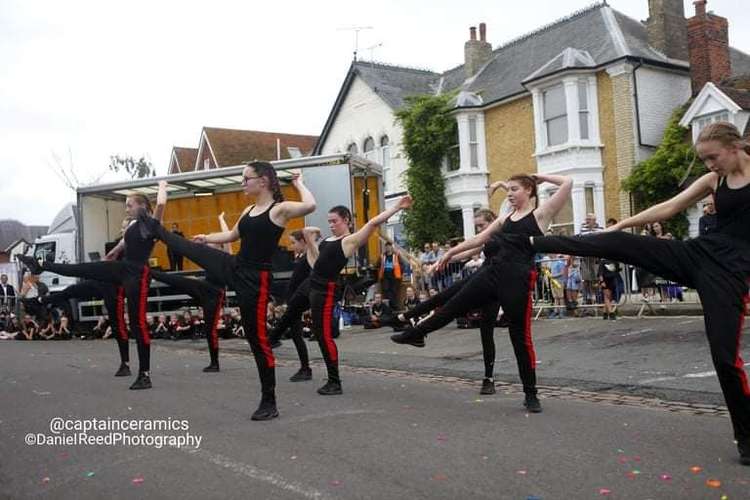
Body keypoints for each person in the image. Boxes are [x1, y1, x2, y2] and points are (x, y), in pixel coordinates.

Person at [490, 122, 750, 465]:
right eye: (703, 160)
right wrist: (622, 225)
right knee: (617, 242)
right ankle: (534, 242)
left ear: (734, 147)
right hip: (698, 254)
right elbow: (669, 208)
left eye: (712, 157)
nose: (709, 165)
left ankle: (745, 435)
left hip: (730, 274)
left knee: (724, 357)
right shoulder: (714, 180)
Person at [138, 163, 316, 421]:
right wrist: (207, 238)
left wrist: (299, 184)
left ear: (263, 181)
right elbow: (232, 236)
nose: (243, 183)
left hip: (255, 279)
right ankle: (155, 228)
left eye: (246, 179)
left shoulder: (280, 210)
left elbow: (310, 206)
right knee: (189, 247)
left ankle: (269, 400)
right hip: (235, 265)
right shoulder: (248, 210)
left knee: (257, 340)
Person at [392, 173, 573, 413]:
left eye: (514, 189)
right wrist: (449, 253)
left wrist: (538, 177)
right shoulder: (506, 217)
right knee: (454, 304)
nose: (509, 193)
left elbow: (568, 183)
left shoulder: (540, 215)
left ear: (529, 190)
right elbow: (479, 238)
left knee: (520, 337)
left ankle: (531, 393)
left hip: (517, 280)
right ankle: (417, 333)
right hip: (492, 274)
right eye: (508, 189)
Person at [19, 181, 168, 390]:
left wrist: (162, 185)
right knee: (82, 271)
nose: (126, 209)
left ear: (141, 206)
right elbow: (124, 243)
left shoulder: (151, 224)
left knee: (137, 323)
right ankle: (41, 265)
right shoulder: (132, 227)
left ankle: (144, 373)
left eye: (129, 205)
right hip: (121, 269)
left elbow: (161, 204)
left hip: (137, 275)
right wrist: (113, 252)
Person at [303, 196, 412, 396]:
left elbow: (373, 223)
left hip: (325, 291)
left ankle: (334, 381)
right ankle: (330, 378)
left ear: (346, 221)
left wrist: (397, 206)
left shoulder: (348, 241)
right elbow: (316, 264)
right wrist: (310, 239)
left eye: (334, 221)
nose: (331, 225)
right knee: (319, 334)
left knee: (324, 336)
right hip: (314, 287)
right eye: (329, 222)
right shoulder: (327, 240)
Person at [390, 208, 503, 394]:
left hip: (494, 285)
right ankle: (405, 319)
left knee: (485, 330)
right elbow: (468, 250)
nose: (479, 229)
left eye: (482, 225)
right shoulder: (488, 238)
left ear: (492, 221)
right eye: (478, 226)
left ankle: (488, 378)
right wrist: (442, 261)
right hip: (483, 278)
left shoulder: (503, 233)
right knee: (444, 297)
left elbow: (473, 245)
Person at [150, 211, 232, 372]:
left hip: (214, 294)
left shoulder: (226, 255)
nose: (209, 244)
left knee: (210, 329)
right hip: (204, 287)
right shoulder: (208, 255)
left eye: (212, 242)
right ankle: (148, 272)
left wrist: (221, 219)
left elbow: (228, 237)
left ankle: (214, 363)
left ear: (220, 244)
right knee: (178, 281)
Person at [267, 230, 314, 382]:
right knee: (295, 335)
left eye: (294, 242)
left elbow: (301, 283)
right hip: (293, 300)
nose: (291, 246)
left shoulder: (309, 258)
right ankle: (304, 367)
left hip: (297, 301)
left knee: (297, 335)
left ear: (303, 242)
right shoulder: (300, 257)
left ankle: (305, 368)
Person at [377, 242, 404, 308]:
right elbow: (378, 264)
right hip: (385, 275)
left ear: (391, 247)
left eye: (389, 246)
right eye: (386, 247)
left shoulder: (396, 255)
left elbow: (401, 264)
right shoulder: (382, 256)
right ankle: (390, 306)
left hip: (394, 275)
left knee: (394, 291)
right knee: (386, 290)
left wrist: (400, 273)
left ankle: (394, 305)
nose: (388, 248)